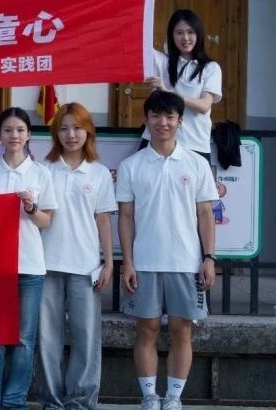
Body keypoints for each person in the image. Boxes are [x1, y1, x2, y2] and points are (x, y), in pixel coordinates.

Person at [117, 91, 218, 410]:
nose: (163, 122)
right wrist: (127, 262)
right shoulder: (131, 165)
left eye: (170, 116)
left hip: (186, 262)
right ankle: (149, 396)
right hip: (145, 261)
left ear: (180, 121)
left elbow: (205, 214)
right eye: (156, 116)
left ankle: (174, 397)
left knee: (181, 330)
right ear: (146, 120)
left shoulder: (196, 163)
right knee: (145, 329)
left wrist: (209, 258)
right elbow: (126, 217)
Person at [36, 103, 117, 410]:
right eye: (64, 128)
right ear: (56, 133)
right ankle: (52, 401)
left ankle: (81, 401)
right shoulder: (44, 170)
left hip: (86, 266)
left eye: (78, 128)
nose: (71, 135)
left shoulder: (99, 173)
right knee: (47, 337)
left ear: (88, 132)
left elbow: (103, 219)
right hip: (46, 263)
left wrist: (108, 262)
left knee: (86, 337)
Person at [0, 107, 56, 410]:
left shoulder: (41, 173)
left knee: (24, 338)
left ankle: (14, 400)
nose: (14, 135)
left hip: (30, 265)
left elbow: (47, 220)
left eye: (20, 130)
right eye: (8, 130)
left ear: (29, 135)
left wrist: (32, 208)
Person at [144, 8, 222, 159]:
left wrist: (169, 92)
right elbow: (140, 40)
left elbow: (204, 106)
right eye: (179, 33)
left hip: (194, 143)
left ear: (198, 34)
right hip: (159, 143)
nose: (185, 38)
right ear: (171, 36)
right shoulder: (162, 61)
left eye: (190, 32)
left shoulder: (211, 68)